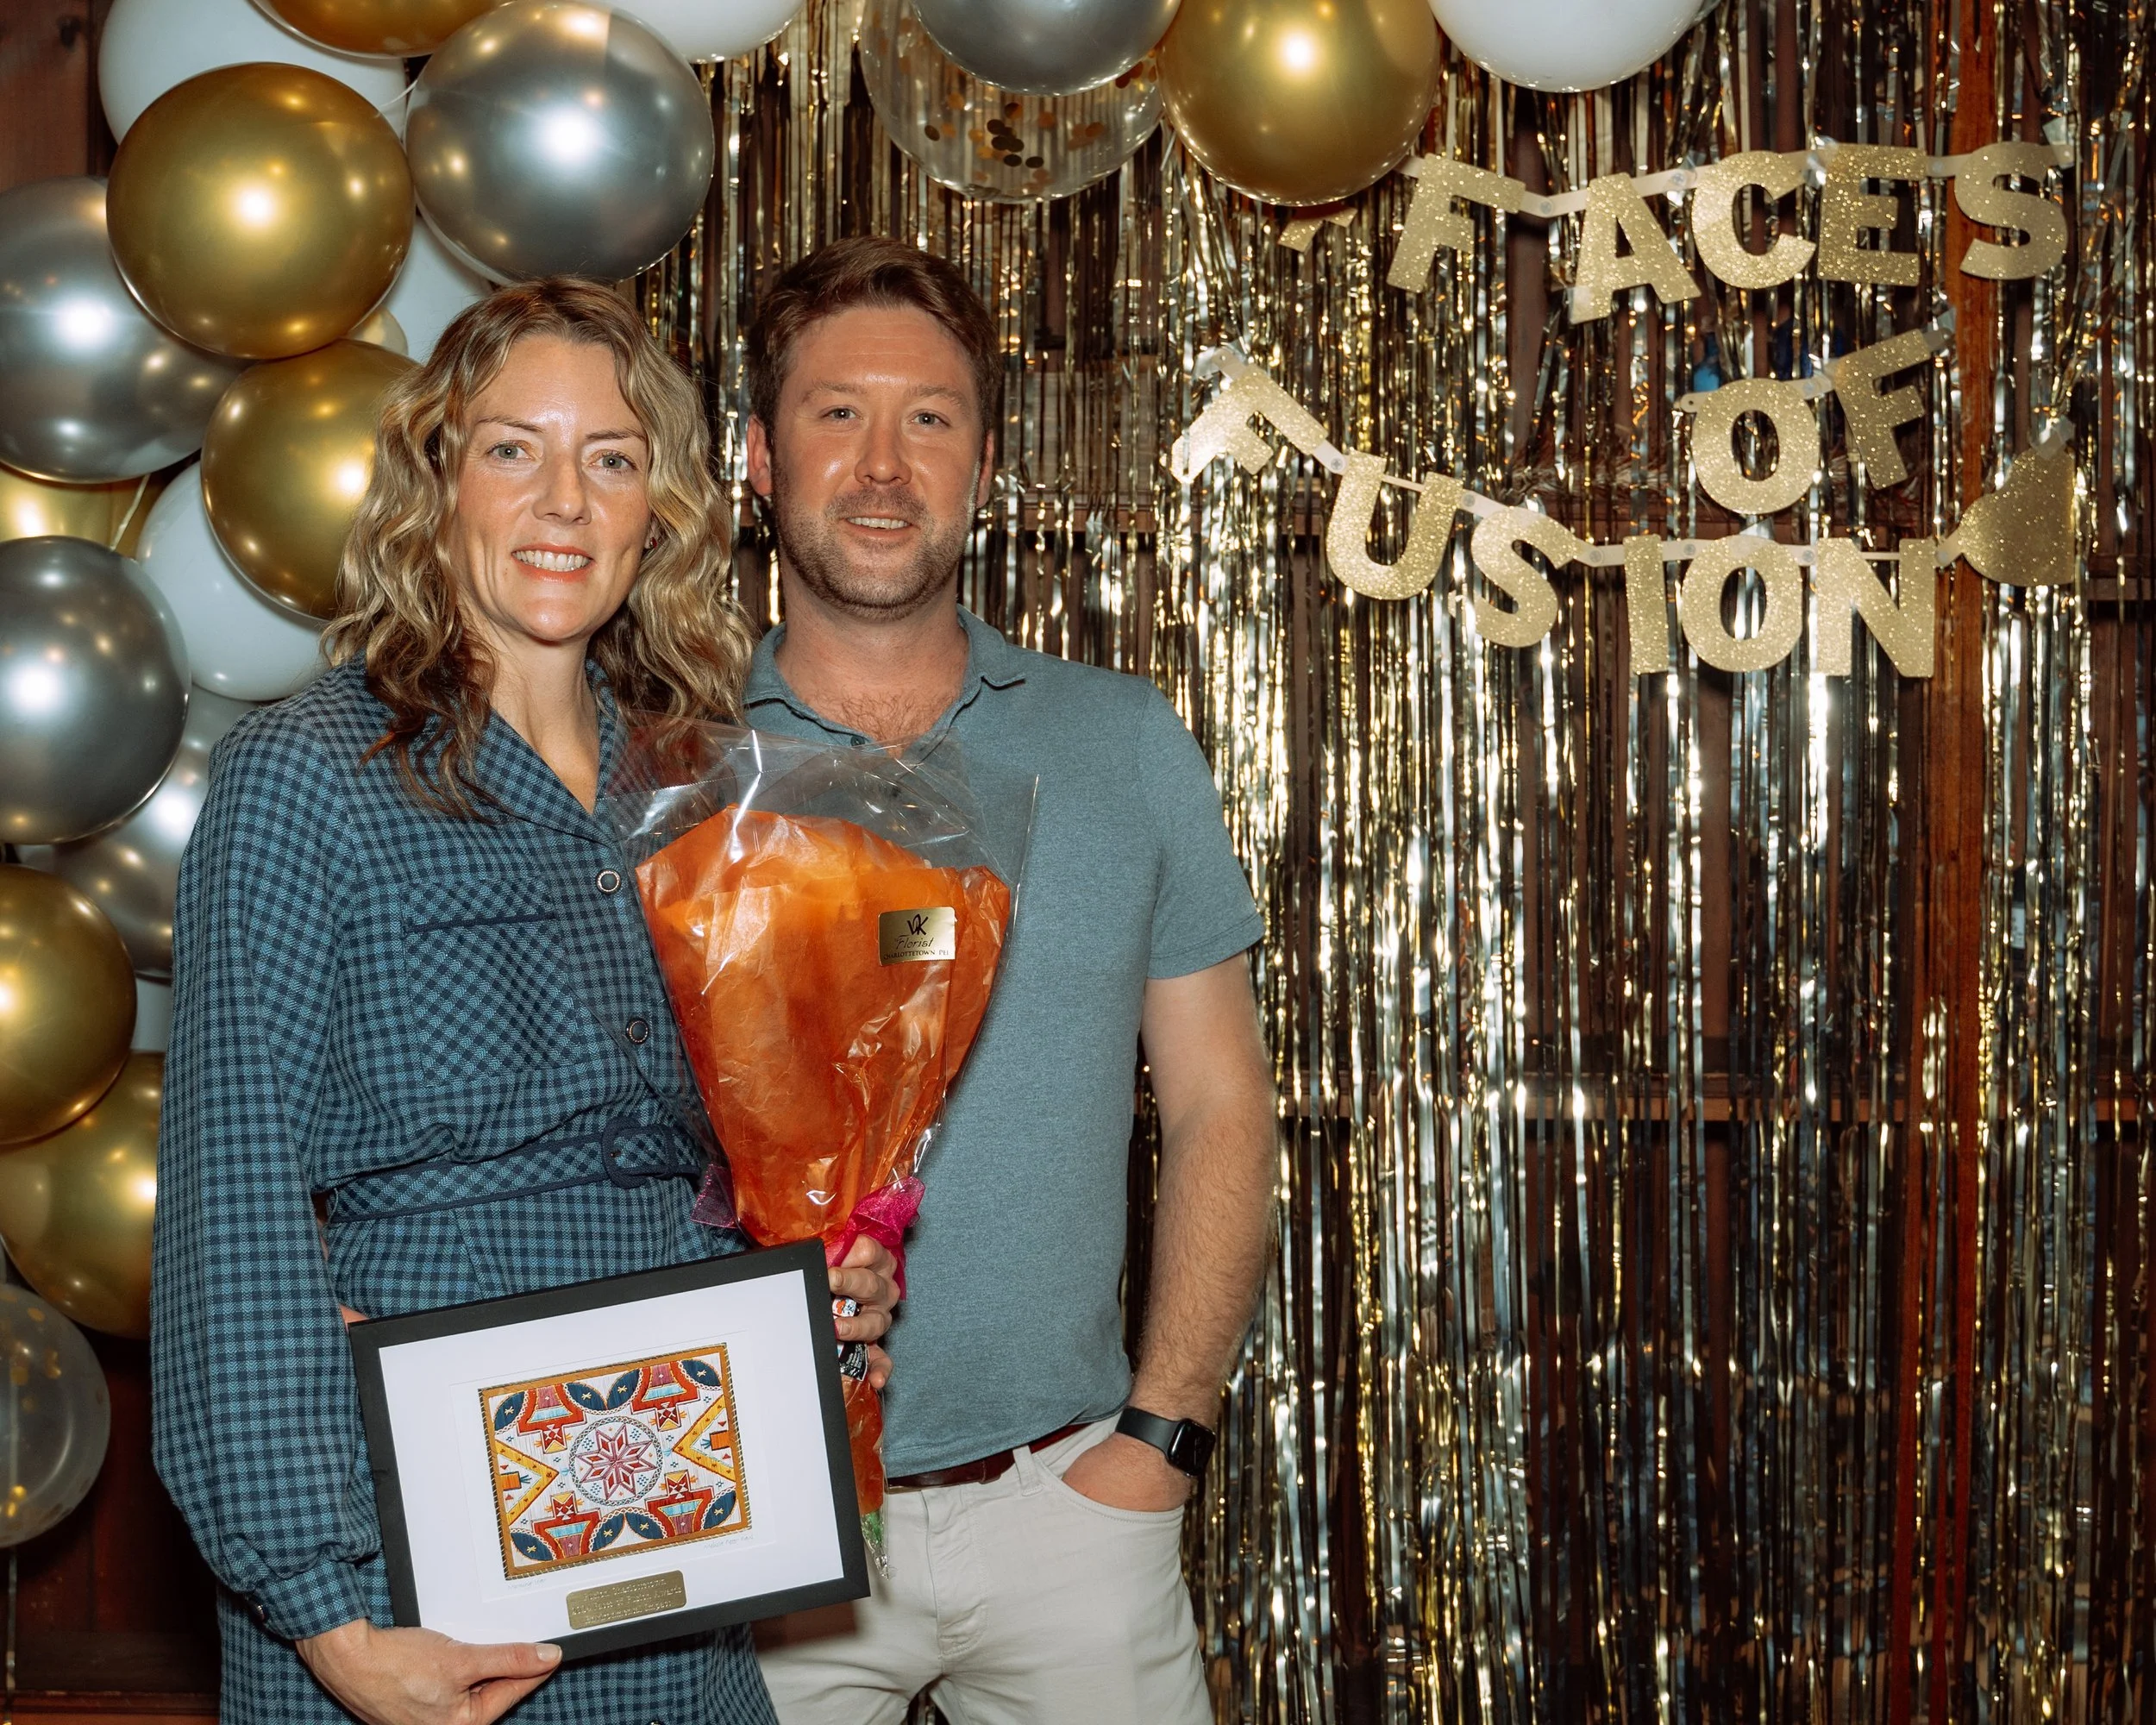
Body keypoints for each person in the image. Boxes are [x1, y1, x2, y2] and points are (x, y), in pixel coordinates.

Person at [151, 279, 899, 1725]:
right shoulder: (308, 780)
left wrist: (824, 1265)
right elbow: (230, 1219)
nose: (564, 501)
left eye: (611, 459)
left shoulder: (697, 792)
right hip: (402, 1560)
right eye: (513, 449)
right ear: (438, 480)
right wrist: (326, 1612)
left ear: (658, 509)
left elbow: (745, 1162)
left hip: (681, 1529)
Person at [743, 240, 1279, 1722]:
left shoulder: (1120, 741)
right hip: (755, 1533)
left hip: (1066, 1506)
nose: (880, 466)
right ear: (754, 457)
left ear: (985, 464)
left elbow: (1225, 1107)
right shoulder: (664, 761)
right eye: (834, 413)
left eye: (930, 419)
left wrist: (1159, 1443)